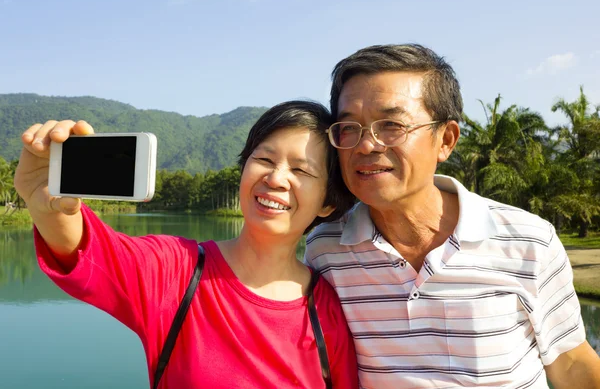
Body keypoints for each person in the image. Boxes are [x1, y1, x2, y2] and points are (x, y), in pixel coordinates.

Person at [305, 44, 600, 388]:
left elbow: (572, 365)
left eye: (390, 125)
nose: (366, 145)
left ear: (445, 139)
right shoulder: (326, 250)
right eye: (349, 127)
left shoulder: (528, 241)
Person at [14, 101, 359, 388]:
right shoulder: (176, 270)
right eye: (265, 160)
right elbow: (92, 252)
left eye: (301, 170)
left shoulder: (328, 310)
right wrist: (44, 205)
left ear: (328, 203)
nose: (276, 178)